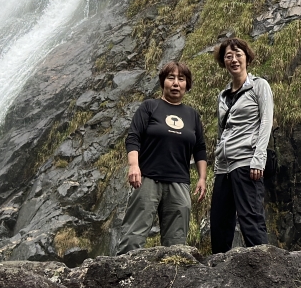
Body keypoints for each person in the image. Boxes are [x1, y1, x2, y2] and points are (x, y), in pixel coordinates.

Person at [114, 60, 207, 253]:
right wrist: (134, 165)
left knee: (176, 243)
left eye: (181, 79)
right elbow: (133, 137)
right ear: (163, 81)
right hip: (147, 178)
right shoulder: (149, 107)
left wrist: (202, 178)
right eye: (170, 78)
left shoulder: (192, 115)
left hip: (179, 183)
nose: (175, 83)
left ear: (187, 85)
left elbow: (200, 149)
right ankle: (123, 277)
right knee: (134, 235)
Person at [210, 35, 273, 252]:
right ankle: (219, 272)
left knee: (250, 218)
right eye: (229, 56)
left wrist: (259, 159)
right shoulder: (223, 96)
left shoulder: (259, 86)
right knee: (219, 223)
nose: (234, 59)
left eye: (238, 54)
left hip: (247, 162)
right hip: (223, 167)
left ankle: (266, 271)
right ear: (224, 62)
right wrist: (217, 164)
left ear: (246, 57)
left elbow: (266, 121)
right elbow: (222, 131)